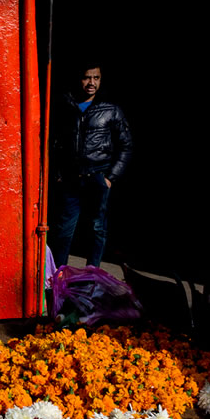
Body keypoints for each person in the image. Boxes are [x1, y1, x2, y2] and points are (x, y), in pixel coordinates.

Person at [48, 62, 132, 268]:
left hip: (97, 176)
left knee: (97, 229)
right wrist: (57, 173)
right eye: (87, 78)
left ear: (101, 80)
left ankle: (92, 275)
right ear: (79, 79)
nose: (91, 83)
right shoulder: (66, 105)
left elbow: (126, 145)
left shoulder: (111, 109)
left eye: (96, 78)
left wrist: (110, 177)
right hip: (70, 178)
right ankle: (60, 275)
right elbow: (53, 142)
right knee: (64, 229)